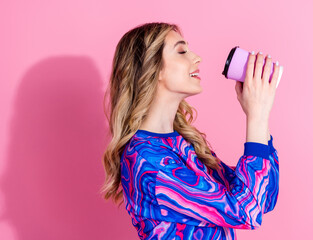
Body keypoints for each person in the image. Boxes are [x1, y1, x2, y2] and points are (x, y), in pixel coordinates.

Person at [100, 22, 280, 240]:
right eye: (182, 51)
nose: (196, 58)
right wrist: (257, 116)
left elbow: (263, 199)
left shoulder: (182, 144)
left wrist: (260, 115)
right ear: (152, 68)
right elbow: (246, 212)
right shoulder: (147, 160)